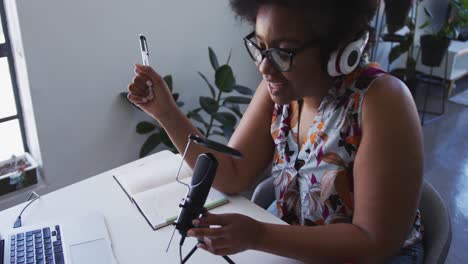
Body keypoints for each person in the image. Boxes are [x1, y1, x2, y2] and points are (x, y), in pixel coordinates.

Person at [127, 0, 424, 262]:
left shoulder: (382, 102)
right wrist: (165, 112)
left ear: (338, 48)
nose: (264, 67)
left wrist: (259, 236)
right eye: (259, 46)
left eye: (283, 52)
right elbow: (231, 173)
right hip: (294, 245)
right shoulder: (281, 91)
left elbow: (373, 244)